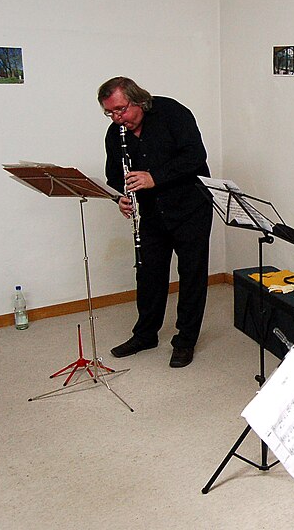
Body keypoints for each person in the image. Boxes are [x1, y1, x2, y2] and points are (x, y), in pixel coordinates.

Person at [98, 77, 213, 369]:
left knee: (191, 275)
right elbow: (115, 176)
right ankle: (145, 334)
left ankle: (185, 341)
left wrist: (154, 177)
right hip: (152, 212)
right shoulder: (116, 134)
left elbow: (195, 156)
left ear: (138, 100)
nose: (116, 118)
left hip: (190, 207)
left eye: (120, 110)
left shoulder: (172, 113)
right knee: (148, 274)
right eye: (109, 113)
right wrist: (119, 198)